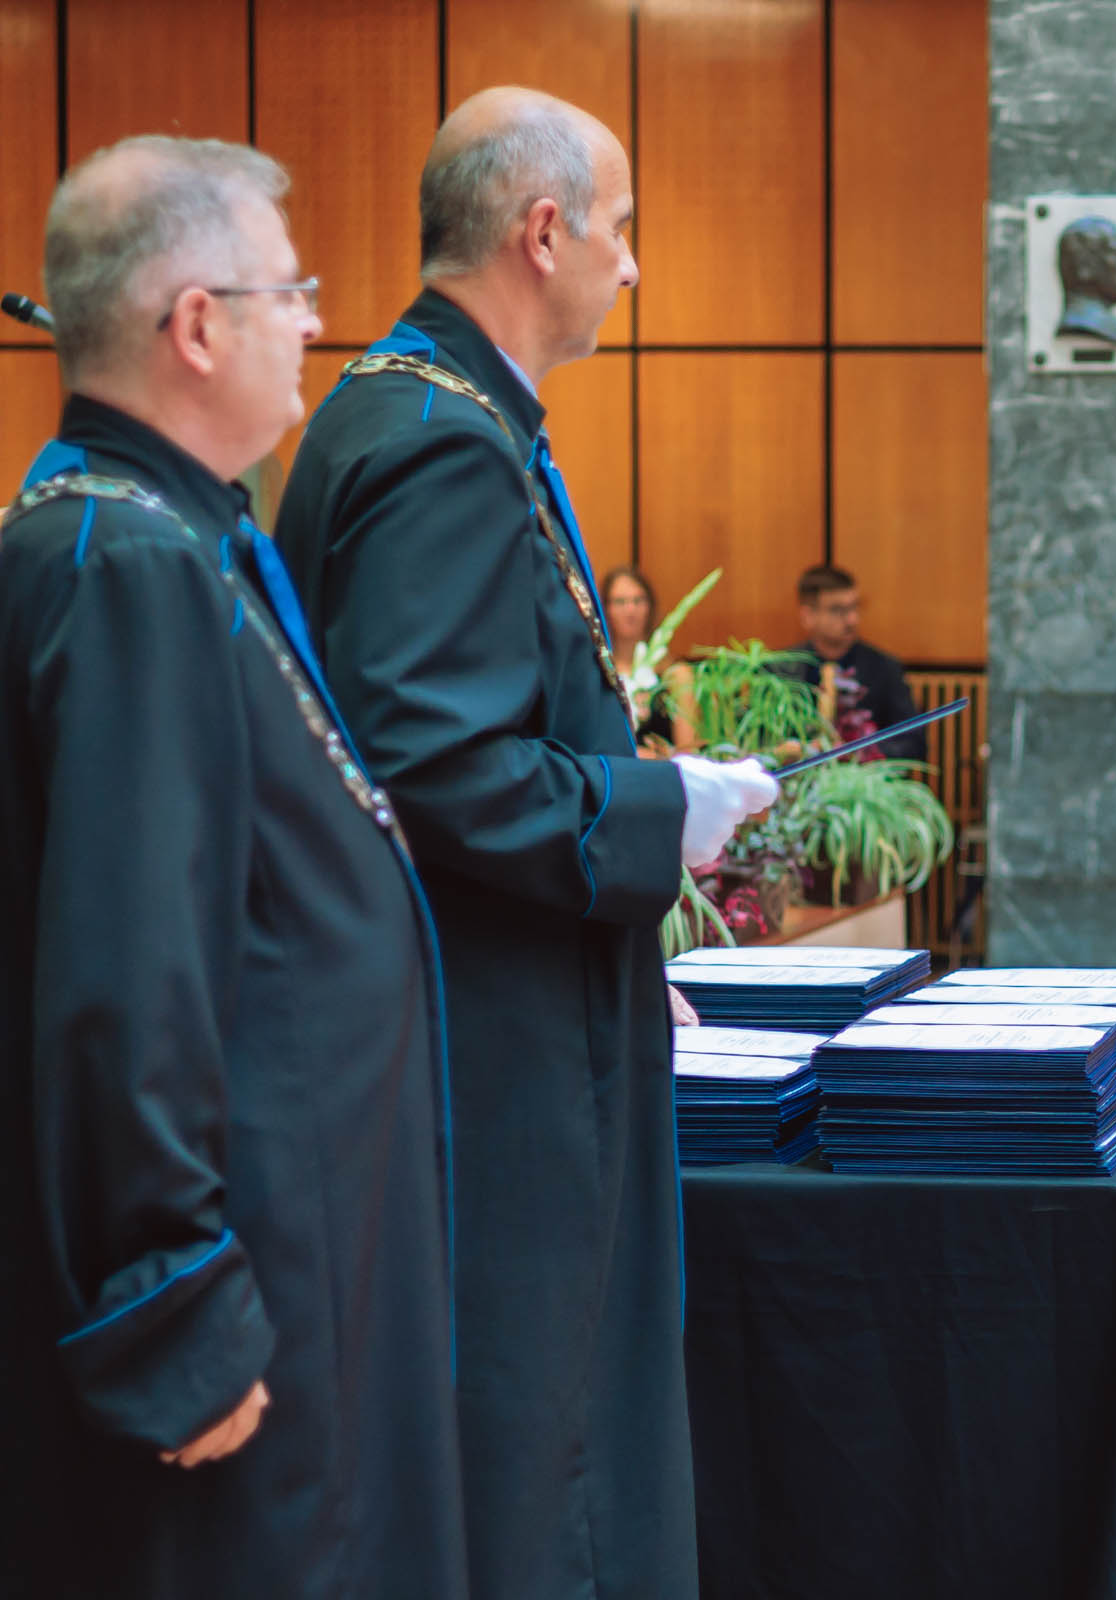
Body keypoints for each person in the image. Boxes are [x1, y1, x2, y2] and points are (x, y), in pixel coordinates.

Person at [271, 89, 775, 1599]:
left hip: (511, 1002)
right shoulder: (440, 440)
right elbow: (436, 765)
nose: (631, 265)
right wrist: (661, 812)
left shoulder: (438, 408)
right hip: (487, 1053)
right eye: (621, 229)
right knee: (536, 1439)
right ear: (544, 231)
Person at [0, 137, 467, 1597]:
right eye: (292, 291)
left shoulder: (145, 530)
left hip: (299, 1235)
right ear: (197, 325)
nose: (316, 322)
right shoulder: (126, 562)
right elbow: (129, 968)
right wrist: (174, 1306)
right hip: (248, 1288)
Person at [781, 561, 927, 762]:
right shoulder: (779, 669)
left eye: (855, 607)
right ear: (808, 616)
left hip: (863, 777)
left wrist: (861, 752)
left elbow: (913, 743)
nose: (852, 619)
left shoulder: (884, 668)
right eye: (837, 610)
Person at [602, 563, 680, 748]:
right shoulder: (598, 674)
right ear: (606, 609)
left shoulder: (674, 676)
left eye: (638, 601)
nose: (630, 611)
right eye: (620, 602)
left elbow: (688, 752)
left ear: (649, 607)